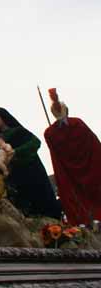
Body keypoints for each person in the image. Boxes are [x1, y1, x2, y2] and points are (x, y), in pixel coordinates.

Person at [0, 107, 63, 220]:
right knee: (26, 208)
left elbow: (35, 142)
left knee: (43, 202)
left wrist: (16, 152)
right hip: (16, 178)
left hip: (33, 172)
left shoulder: (19, 131)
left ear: (3, 116)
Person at [43, 95, 101, 225]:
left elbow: (93, 145)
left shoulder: (54, 131)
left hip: (84, 170)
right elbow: (95, 145)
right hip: (80, 171)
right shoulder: (52, 132)